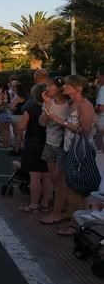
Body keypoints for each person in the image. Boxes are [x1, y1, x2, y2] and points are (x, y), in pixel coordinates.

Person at [44, 75, 97, 236]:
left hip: (79, 152)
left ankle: (75, 225)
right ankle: (79, 222)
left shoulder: (84, 105)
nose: (64, 87)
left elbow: (85, 130)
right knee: (74, 188)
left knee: (74, 189)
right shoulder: (73, 104)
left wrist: (60, 121)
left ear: (78, 88)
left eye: (68, 85)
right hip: (70, 149)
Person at [39, 76, 71, 225]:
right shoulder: (49, 102)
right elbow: (42, 122)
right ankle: (62, 206)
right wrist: (46, 105)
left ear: (59, 88)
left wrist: (58, 119)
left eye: (50, 86)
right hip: (49, 142)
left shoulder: (69, 105)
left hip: (61, 145)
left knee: (59, 180)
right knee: (54, 179)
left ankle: (57, 212)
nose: (47, 89)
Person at [17, 83, 51, 213]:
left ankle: (34, 204)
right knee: (47, 176)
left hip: (33, 144)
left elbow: (21, 127)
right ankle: (46, 203)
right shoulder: (50, 108)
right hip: (47, 143)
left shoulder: (31, 109)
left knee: (35, 177)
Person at [95, 67, 104, 151]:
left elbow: (101, 108)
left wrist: (92, 111)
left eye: (98, 76)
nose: (97, 79)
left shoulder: (103, 89)